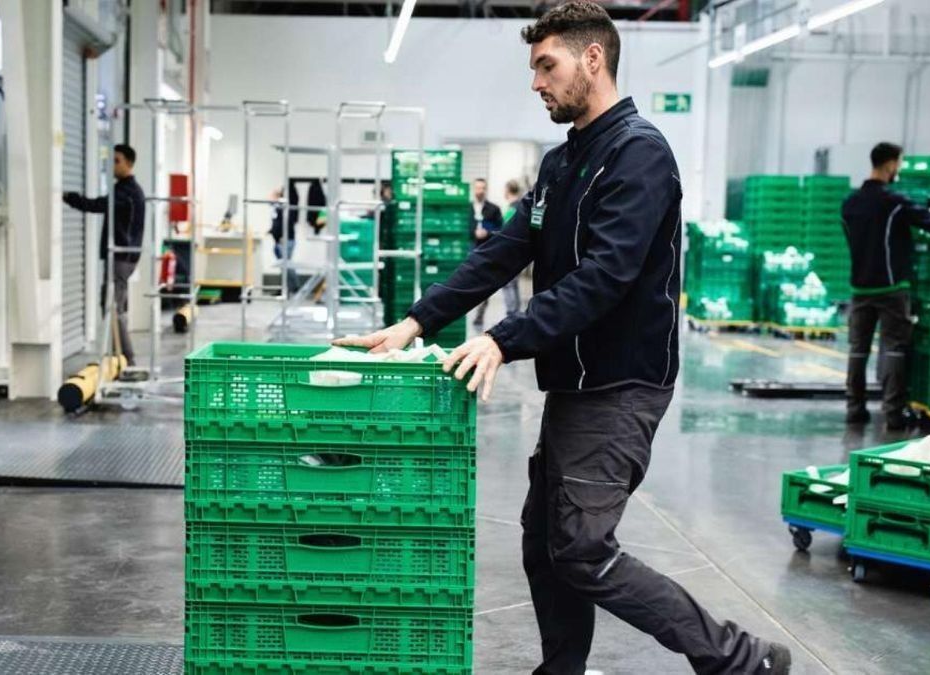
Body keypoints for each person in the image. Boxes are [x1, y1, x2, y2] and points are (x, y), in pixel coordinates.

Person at [336, 3, 791, 673]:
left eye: (546, 66)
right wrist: (415, 321)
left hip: (622, 381)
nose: (536, 82)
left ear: (592, 59)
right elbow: (503, 253)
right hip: (574, 382)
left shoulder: (640, 154)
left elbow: (604, 277)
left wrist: (503, 339)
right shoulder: (563, 162)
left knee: (580, 548)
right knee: (542, 541)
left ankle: (739, 657)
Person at [841, 142, 930, 430]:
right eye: (899, 164)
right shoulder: (893, 203)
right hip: (891, 288)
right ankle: (892, 412)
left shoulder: (849, 204)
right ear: (891, 164)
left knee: (858, 349)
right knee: (894, 347)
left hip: (860, 287)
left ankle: (854, 408)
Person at [63, 143, 146, 366]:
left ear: (129, 163)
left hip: (121, 257)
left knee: (112, 306)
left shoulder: (127, 192)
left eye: (117, 160)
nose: (112, 165)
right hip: (123, 257)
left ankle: (127, 359)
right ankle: (117, 354)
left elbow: (99, 205)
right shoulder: (126, 189)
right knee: (114, 305)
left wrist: (70, 198)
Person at [471, 178, 511, 328]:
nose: (479, 191)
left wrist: (487, 233)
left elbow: (501, 230)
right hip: (470, 250)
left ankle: (479, 314)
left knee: (483, 284)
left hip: (487, 252)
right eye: (477, 188)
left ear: (485, 190)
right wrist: (473, 232)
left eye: (482, 188)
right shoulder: (467, 209)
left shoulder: (493, 209)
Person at [269, 187, 299, 295]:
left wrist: (282, 236)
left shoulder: (283, 208)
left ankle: (294, 287)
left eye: (271, 196)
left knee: (287, 265)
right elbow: (277, 224)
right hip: (279, 240)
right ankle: (285, 288)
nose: (269, 198)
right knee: (283, 266)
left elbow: (286, 223)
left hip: (285, 240)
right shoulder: (276, 209)